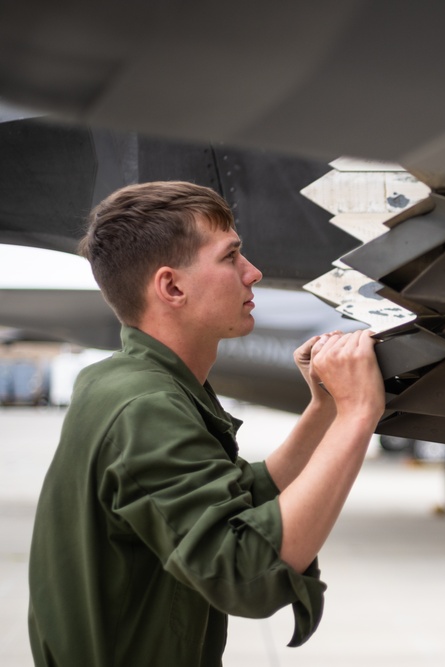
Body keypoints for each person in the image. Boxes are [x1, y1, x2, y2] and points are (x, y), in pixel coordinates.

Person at [27, 181, 385, 666]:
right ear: (172, 287)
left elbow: (239, 491)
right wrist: (359, 414)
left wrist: (325, 410)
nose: (253, 273)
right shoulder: (145, 406)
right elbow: (245, 575)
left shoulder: (121, 381)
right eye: (230, 257)